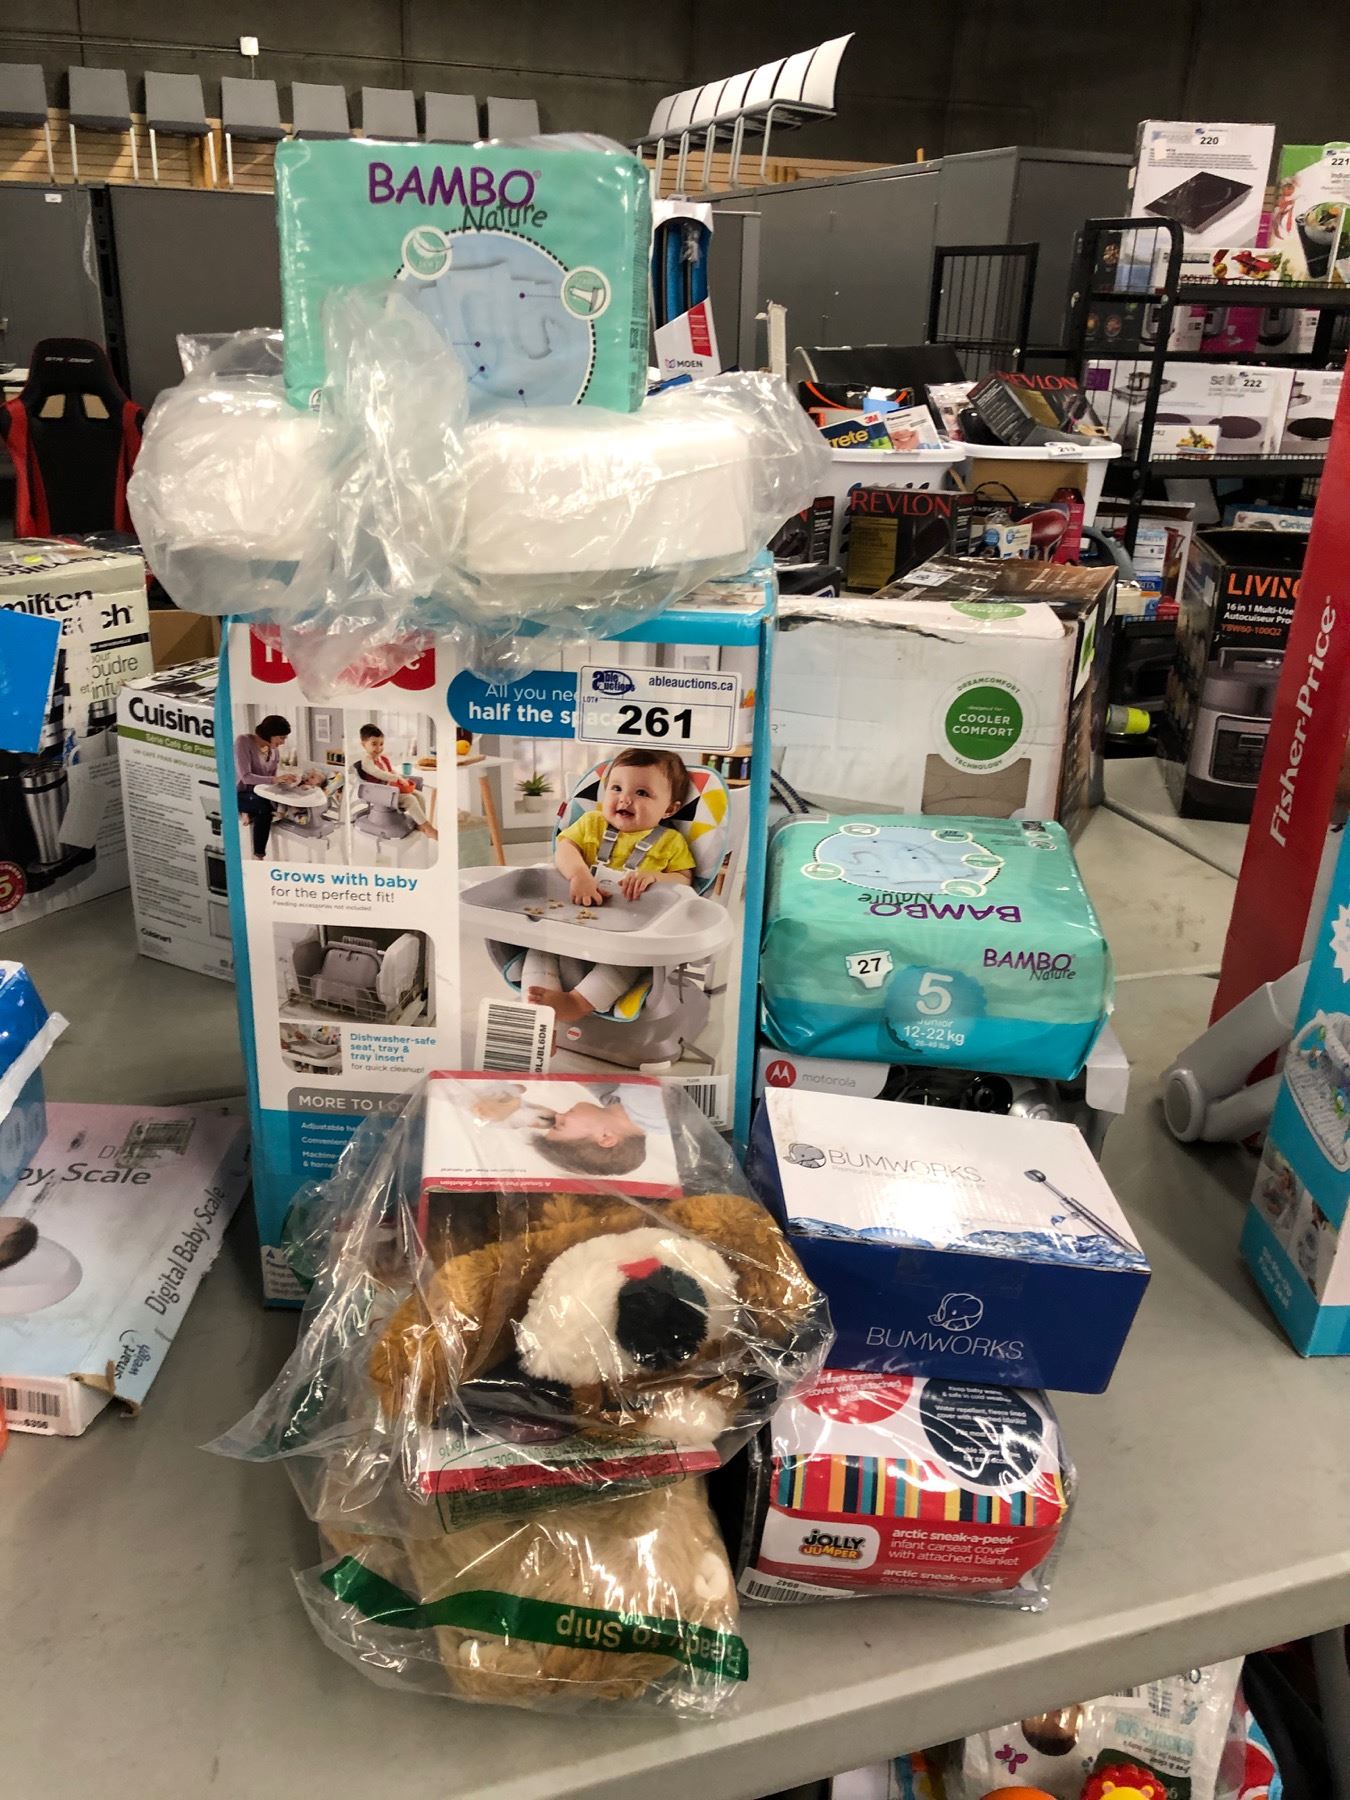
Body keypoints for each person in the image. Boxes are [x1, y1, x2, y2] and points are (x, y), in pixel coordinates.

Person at [523, 748, 695, 1027]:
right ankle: (539, 1020)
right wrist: (579, 874)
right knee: (539, 946)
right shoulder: (591, 823)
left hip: (628, 936)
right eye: (616, 788)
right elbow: (564, 847)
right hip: (573, 923)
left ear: (669, 809)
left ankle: (576, 1003)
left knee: (628, 962)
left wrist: (655, 877)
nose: (625, 798)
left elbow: (685, 879)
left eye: (642, 793)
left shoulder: (671, 841)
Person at [470, 1080, 663, 1178]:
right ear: (606, 1137)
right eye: (561, 1125)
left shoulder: (614, 1102)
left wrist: (516, 1108)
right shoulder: (650, 1108)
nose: (559, 1115)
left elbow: (582, 1072)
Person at [354, 724, 438, 840]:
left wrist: (400, 778)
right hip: (379, 793)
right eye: (374, 744)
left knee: (420, 796)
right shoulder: (367, 761)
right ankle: (428, 828)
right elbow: (377, 773)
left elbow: (391, 771)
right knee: (410, 800)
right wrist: (397, 779)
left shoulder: (383, 759)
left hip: (391, 790)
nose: (378, 748)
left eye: (381, 744)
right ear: (364, 744)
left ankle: (419, 824)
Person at [235, 714, 294, 861]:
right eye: (281, 738)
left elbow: (271, 780)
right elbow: (246, 777)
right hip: (240, 793)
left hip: (259, 793)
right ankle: (258, 856)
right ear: (270, 733)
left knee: (281, 802)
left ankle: (248, 812)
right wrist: (275, 780)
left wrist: (285, 781)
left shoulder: (275, 752)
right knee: (264, 809)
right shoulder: (243, 741)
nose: (283, 742)